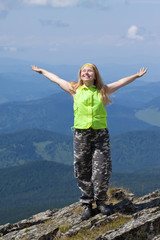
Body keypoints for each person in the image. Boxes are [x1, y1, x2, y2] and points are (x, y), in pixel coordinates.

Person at [32, 63, 147, 220]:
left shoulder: (102, 90)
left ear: (95, 75)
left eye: (89, 71)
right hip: (81, 135)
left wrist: (136, 76)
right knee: (82, 168)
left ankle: (100, 202)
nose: (86, 73)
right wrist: (42, 71)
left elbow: (121, 82)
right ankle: (87, 204)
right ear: (80, 75)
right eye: (83, 71)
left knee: (102, 168)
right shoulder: (74, 89)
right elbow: (57, 79)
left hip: (101, 135)